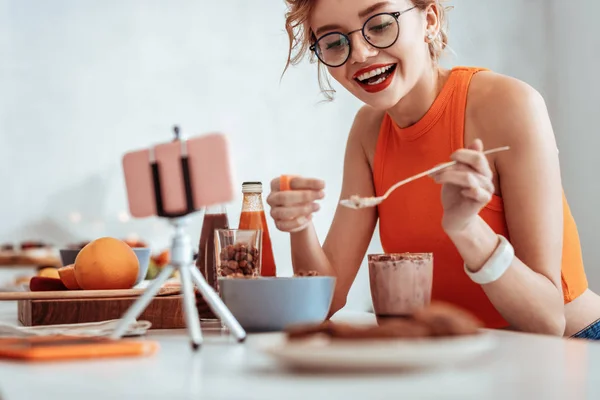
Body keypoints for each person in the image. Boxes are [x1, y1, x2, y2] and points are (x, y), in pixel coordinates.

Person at [266, 0, 600, 339]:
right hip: (460, 356)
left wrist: (467, 228)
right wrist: (300, 223)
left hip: (572, 348)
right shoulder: (368, 131)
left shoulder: (509, 105)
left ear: (429, 20)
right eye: (335, 42)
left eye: (380, 25)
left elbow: (547, 321)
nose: (361, 54)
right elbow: (324, 303)